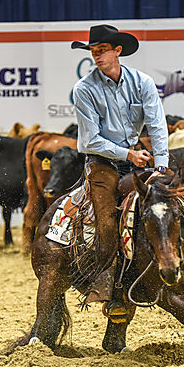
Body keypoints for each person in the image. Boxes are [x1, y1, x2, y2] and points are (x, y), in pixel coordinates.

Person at [71, 24, 169, 321]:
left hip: (134, 159)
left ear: (118, 51)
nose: (97, 56)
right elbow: (90, 140)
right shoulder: (84, 89)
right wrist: (129, 154)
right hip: (101, 163)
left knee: (167, 205)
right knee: (107, 220)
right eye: (93, 51)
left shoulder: (142, 82)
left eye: (102, 50)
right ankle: (112, 289)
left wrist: (161, 164)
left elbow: (157, 123)